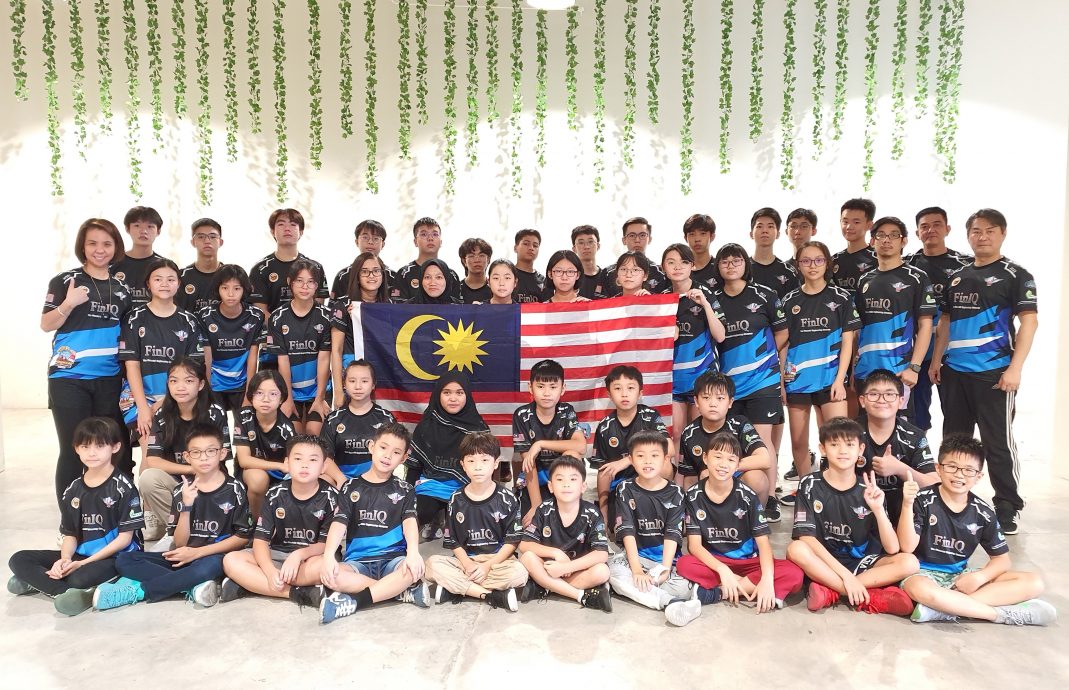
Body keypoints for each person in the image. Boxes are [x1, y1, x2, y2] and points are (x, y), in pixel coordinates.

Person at [930, 209, 1037, 535]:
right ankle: (950, 497)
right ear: (968, 235)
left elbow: (1029, 322)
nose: (982, 236)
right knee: (954, 440)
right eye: (976, 231)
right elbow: (945, 321)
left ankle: (1007, 504)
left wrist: (1015, 369)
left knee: (997, 442)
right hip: (955, 373)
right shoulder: (957, 276)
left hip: (994, 375)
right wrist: (936, 361)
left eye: (990, 230)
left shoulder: (1016, 275)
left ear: (1002, 234)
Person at [898, 435, 1056, 626]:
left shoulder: (983, 512)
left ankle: (941, 608)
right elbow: (907, 547)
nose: (959, 475)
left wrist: (979, 577)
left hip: (960, 578)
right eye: (952, 467)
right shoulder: (921, 499)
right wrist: (907, 504)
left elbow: (1002, 560)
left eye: (968, 470)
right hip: (922, 574)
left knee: (1033, 582)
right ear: (938, 468)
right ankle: (998, 614)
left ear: (978, 476)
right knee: (920, 589)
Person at [96, 424, 252, 610]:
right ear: (187, 457)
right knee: (125, 560)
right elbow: (179, 543)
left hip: (214, 556)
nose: (203, 457)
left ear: (222, 453)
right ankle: (191, 585)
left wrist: (198, 553)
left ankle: (140, 591)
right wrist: (186, 507)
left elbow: (242, 538)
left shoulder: (235, 489)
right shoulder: (180, 491)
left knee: (207, 567)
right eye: (196, 452)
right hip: (185, 556)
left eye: (210, 451)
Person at [7, 417, 144, 616]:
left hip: (116, 557)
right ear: (76, 449)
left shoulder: (124, 488)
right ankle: (67, 592)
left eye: (100, 446)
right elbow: (70, 533)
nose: (92, 453)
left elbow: (124, 540)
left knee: (79, 578)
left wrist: (82, 564)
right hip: (81, 555)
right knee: (18, 559)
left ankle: (43, 582)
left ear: (115, 447)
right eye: (85, 446)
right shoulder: (73, 489)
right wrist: (65, 560)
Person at [666, 432, 804, 627]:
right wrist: (723, 570)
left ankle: (718, 593)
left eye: (731, 459)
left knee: (795, 574)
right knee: (684, 564)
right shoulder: (694, 496)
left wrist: (766, 578)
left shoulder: (747, 496)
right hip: (716, 562)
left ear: (738, 464)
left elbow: (763, 544)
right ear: (705, 458)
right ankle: (751, 588)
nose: (723, 464)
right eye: (717, 457)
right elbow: (694, 547)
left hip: (748, 563)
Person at [786, 417, 917, 616]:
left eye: (849, 444)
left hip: (861, 563)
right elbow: (806, 537)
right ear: (822, 449)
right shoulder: (810, 484)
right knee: (796, 549)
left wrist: (878, 509)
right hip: (824, 561)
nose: (843, 451)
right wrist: (846, 577)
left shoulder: (869, 489)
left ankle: (832, 591)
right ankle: (865, 595)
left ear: (860, 449)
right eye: (834, 444)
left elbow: (892, 548)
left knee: (909, 562)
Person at [43, 218, 133, 499]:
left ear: (116, 247)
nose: (100, 250)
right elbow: (46, 324)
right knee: (74, 449)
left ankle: (113, 510)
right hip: (69, 378)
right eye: (92, 243)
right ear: (82, 246)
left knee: (112, 448)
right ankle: (70, 517)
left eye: (107, 243)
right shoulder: (65, 281)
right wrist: (68, 304)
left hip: (109, 379)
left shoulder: (122, 289)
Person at [318, 423, 431, 623]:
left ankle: (355, 602)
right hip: (358, 563)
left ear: (404, 458)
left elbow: (410, 522)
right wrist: (328, 556)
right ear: (371, 446)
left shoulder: (405, 489)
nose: (387, 456)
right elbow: (338, 524)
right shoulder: (350, 487)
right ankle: (395, 591)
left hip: (392, 561)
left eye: (396, 452)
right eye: (383, 447)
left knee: (411, 570)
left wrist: (414, 553)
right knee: (331, 576)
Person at [712, 243, 788, 521]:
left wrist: (761, 359)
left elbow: (782, 333)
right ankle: (737, 496)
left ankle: (769, 499)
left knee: (761, 442)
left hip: (762, 383)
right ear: (718, 267)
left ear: (746, 264)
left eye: (736, 260)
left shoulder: (765, 295)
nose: (731, 265)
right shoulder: (713, 300)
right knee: (731, 442)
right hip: (728, 387)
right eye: (725, 261)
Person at [220, 435, 337, 608]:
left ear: (323, 467)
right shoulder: (275, 494)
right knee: (231, 560)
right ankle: (297, 593)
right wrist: (268, 571)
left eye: (313, 460)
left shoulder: (331, 497)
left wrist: (298, 555)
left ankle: (252, 585)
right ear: (287, 463)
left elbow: (324, 545)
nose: (304, 465)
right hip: (278, 554)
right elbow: (260, 540)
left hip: (310, 558)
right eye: (298, 459)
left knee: (325, 567)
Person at [779, 240, 858, 496]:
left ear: (827, 263)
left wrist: (840, 379)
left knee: (838, 439)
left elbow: (848, 342)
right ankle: (807, 490)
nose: (812, 266)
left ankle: (839, 491)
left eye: (818, 260)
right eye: (806, 261)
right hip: (797, 381)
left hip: (830, 380)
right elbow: (783, 344)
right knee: (799, 441)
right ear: (798, 265)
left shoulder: (841, 298)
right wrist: (781, 382)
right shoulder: (789, 301)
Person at [426, 432, 529, 611]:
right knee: (431, 565)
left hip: (497, 560)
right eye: (471, 461)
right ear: (463, 465)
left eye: (484, 460)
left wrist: (488, 566)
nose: (478, 467)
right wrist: (468, 564)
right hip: (467, 561)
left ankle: (457, 589)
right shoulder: (456, 499)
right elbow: (453, 541)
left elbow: (512, 541)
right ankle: (491, 595)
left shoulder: (507, 499)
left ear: (495, 463)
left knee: (520, 573)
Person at [119, 258, 206, 463]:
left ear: (179, 283)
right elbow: (132, 365)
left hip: (178, 397)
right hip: (140, 398)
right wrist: (143, 408)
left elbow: (193, 369)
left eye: (170, 279)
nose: (164, 284)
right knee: (151, 456)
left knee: (179, 456)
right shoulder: (134, 319)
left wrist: (166, 401)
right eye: (158, 279)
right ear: (148, 284)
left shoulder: (189, 321)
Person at [854, 216, 936, 424]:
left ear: (904, 241)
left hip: (900, 371)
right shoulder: (865, 280)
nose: (886, 240)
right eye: (881, 235)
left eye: (893, 235)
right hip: (866, 370)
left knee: (901, 430)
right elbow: (858, 327)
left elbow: (926, 325)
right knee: (865, 430)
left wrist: (914, 367)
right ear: (872, 241)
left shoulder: (916, 278)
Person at [139, 357, 232, 540]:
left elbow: (223, 455)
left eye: (188, 381)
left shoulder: (215, 413)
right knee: (148, 479)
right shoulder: (162, 415)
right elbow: (153, 460)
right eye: (174, 381)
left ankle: (203, 532)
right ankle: (176, 533)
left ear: (201, 384)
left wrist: (200, 470)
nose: (180, 387)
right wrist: (190, 469)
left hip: (209, 478)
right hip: (177, 480)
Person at [608, 432, 692, 612]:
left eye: (654, 455)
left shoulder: (676, 493)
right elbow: (627, 531)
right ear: (631, 460)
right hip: (635, 558)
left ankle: (646, 591)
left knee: (683, 588)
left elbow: (672, 534)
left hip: (664, 561)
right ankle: (667, 602)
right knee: (612, 571)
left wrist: (665, 570)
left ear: (665, 459)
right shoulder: (625, 489)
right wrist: (637, 570)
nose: (647, 461)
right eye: (640, 456)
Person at [906, 207, 972, 431]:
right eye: (924, 226)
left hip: (952, 354)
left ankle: (953, 454)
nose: (930, 230)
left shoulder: (965, 265)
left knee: (956, 415)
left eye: (937, 225)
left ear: (947, 229)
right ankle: (919, 451)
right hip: (917, 353)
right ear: (917, 233)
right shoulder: (907, 265)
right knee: (916, 413)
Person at [518, 457, 612, 612]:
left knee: (602, 572)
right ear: (550, 486)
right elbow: (525, 544)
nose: (566, 484)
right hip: (550, 566)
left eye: (573, 479)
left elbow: (601, 554)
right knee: (527, 558)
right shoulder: (544, 509)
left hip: (577, 569)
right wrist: (556, 553)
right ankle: (580, 595)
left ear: (583, 486)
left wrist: (567, 567)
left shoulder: (592, 513)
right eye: (560, 479)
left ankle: (545, 585)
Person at [661, 243, 725, 463]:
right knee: (676, 433)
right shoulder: (661, 299)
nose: (677, 267)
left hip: (702, 378)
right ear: (663, 267)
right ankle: (677, 480)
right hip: (673, 379)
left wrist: (705, 305)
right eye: (671, 262)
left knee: (702, 434)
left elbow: (720, 336)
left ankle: (702, 479)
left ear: (692, 266)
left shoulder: (705, 293)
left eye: (684, 262)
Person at [405, 372, 490, 533]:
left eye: (459, 393)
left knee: (468, 526)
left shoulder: (478, 429)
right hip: (432, 485)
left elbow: (486, 468)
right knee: (417, 514)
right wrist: (407, 497)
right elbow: (415, 466)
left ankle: (447, 518)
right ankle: (435, 517)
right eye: (447, 392)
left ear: (467, 395)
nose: (453, 398)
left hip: (467, 486)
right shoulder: (426, 425)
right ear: (438, 394)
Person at [855, 369, 939, 525]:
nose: (881, 400)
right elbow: (829, 479)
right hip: (858, 511)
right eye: (873, 394)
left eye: (889, 394)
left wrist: (900, 469)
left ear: (901, 401)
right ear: (862, 400)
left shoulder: (914, 436)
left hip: (903, 513)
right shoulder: (849, 433)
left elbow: (934, 484)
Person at [592, 365, 673, 523]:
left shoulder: (649, 417)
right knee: (618, 525)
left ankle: (665, 503)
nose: (624, 394)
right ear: (609, 395)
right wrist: (603, 512)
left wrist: (628, 460)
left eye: (630, 388)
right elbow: (603, 471)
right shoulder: (605, 426)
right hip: (622, 486)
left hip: (649, 477)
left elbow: (669, 448)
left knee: (666, 463)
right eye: (618, 388)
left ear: (640, 393)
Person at [262, 260, 333, 435]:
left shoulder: (326, 316)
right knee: (294, 435)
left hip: (318, 390)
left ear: (317, 286)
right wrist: (287, 399)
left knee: (313, 433)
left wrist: (320, 398)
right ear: (290, 282)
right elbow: (283, 361)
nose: (305, 286)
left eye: (310, 282)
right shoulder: (278, 317)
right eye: (299, 281)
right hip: (290, 390)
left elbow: (324, 359)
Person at [513, 359, 586, 523]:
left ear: (563, 388)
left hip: (561, 476)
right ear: (530, 387)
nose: (546, 393)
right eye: (540, 386)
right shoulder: (522, 415)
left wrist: (540, 444)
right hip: (535, 477)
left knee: (573, 454)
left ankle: (571, 504)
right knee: (530, 523)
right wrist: (536, 506)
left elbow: (581, 446)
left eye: (553, 387)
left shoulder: (566, 411)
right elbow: (528, 461)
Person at [677, 372, 770, 501]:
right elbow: (690, 478)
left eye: (720, 398)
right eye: (706, 397)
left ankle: (758, 514)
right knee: (705, 475)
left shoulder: (739, 424)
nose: (713, 404)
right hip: (708, 489)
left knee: (757, 479)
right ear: (696, 401)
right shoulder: (689, 434)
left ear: (730, 402)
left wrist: (725, 466)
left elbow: (764, 459)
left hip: (737, 482)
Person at [198, 264, 264, 419]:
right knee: (215, 427)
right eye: (225, 288)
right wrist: (207, 392)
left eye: (237, 288)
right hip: (214, 383)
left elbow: (253, 356)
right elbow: (206, 356)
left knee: (244, 426)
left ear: (244, 290)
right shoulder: (205, 315)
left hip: (242, 384)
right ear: (218, 289)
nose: (230, 294)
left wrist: (249, 393)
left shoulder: (255, 316)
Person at [233, 369, 297, 520]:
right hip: (250, 472)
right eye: (259, 393)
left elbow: (291, 464)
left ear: (281, 399)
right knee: (258, 479)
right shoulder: (243, 417)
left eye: (273, 394)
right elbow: (244, 461)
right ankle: (255, 523)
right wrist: (278, 465)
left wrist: (283, 469)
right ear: (251, 396)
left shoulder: (287, 428)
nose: (265, 399)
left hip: (279, 477)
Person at [319, 359, 396, 485]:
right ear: (344, 384)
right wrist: (341, 480)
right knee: (321, 480)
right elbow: (325, 457)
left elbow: (393, 455)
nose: (358, 386)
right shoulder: (334, 419)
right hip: (342, 479)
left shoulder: (386, 418)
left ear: (373, 384)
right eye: (352, 381)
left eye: (364, 381)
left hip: (376, 480)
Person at [329, 252, 391, 399]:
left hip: (382, 374)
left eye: (376, 271)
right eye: (365, 272)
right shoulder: (343, 305)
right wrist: (338, 391)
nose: (371, 275)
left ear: (382, 275)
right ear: (357, 276)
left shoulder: (389, 306)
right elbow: (336, 350)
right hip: (352, 379)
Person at [249, 208, 329, 317]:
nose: (287, 229)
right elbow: (260, 311)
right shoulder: (260, 269)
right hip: (272, 326)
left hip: (310, 327)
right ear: (272, 231)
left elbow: (318, 308)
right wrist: (279, 325)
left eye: (293, 224)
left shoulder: (316, 268)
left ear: (301, 232)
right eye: (281, 224)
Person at [391, 217, 462, 302]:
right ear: (415, 242)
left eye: (435, 234)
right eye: (424, 234)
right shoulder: (404, 274)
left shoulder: (452, 275)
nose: (430, 238)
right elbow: (396, 304)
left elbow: (457, 307)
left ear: (441, 242)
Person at [112, 205, 168, 308]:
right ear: (127, 229)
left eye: (150, 226)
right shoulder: (113, 264)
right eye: (137, 225)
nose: (143, 231)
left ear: (158, 231)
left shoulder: (165, 267)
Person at [330, 219, 394, 301]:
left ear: (383, 244)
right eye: (365, 237)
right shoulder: (343, 276)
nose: (370, 242)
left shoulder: (393, 277)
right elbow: (333, 307)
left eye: (376, 238)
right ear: (357, 242)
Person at [604, 217, 668, 295]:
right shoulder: (608, 273)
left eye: (642, 235)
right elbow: (601, 301)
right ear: (624, 240)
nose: (637, 240)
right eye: (632, 235)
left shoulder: (660, 273)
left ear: (650, 239)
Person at [749, 207, 800, 300]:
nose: (765, 231)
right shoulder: (741, 269)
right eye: (759, 226)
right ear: (751, 234)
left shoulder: (789, 272)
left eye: (770, 226)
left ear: (778, 234)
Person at [832, 198, 878, 297]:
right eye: (845, 222)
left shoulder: (878, 259)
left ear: (870, 225)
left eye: (856, 222)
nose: (849, 227)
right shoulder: (833, 260)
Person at [177, 218, 225, 313]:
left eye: (212, 236)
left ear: (220, 242)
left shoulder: (230, 276)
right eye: (201, 237)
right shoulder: (181, 277)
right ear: (193, 242)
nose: (207, 241)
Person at [683, 213, 719, 291]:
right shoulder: (680, 269)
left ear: (712, 236)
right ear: (685, 238)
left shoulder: (720, 268)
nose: (697, 239)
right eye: (692, 234)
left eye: (703, 233)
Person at [513, 229, 548, 303]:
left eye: (535, 245)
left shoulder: (543, 281)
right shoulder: (507, 275)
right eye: (526, 244)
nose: (531, 248)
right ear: (515, 248)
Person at [571, 224, 606, 299]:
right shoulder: (569, 278)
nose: (586, 247)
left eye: (590, 242)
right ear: (574, 248)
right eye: (581, 243)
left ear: (598, 246)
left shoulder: (607, 277)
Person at [458, 237, 493, 303]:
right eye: (471, 256)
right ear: (464, 261)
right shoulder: (456, 289)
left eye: (481, 255)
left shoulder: (495, 289)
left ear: (488, 259)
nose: (477, 260)